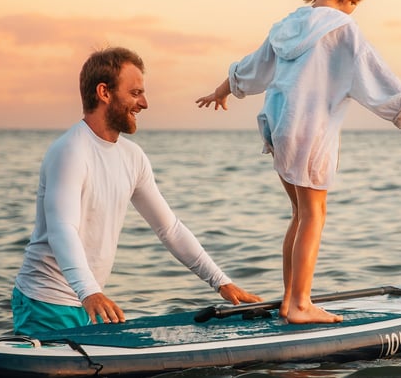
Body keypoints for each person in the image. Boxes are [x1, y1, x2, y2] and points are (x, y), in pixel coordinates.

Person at [195, 0, 401, 324]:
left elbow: (252, 66)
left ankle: (290, 300)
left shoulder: (285, 26)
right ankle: (300, 304)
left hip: (279, 128)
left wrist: (222, 90)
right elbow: (376, 71)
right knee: (314, 214)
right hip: (311, 131)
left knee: (299, 213)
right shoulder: (342, 28)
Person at [13, 46, 262, 336]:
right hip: (47, 302)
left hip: (88, 301)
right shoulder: (70, 151)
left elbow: (169, 228)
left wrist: (221, 282)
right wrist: (90, 292)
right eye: (134, 93)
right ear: (104, 93)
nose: (144, 103)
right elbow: (62, 229)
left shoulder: (132, 157)